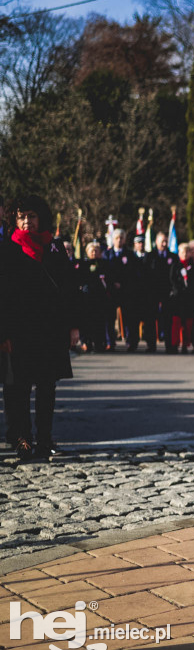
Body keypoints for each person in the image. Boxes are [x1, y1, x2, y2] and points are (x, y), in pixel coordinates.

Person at [0, 196, 79, 460]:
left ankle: (45, 439)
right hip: (20, 330)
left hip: (51, 328)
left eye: (31, 216)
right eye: (21, 217)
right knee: (19, 387)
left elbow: (69, 288)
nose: (26, 222)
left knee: (47, 387)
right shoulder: (8, 249)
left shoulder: (55, 247)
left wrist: (73, 326)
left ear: (40, 218)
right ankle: (23, 438)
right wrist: (5, 333)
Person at [146, 231, 180, 353]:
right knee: (151, 319)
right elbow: (146, 275)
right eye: (162, 241)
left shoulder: (173, 257)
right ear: (156, 242)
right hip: (153, 293)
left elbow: (176, 275)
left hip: (168, 293)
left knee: (168, 320)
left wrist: (174, 291)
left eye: (166, 241)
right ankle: (151, 345)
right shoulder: (149, 257)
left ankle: (169, 345)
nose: (164, 244)